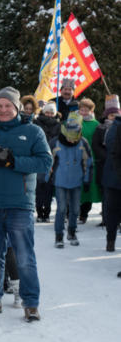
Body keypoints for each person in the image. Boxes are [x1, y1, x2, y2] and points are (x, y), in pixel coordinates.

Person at [0, 87, 52, 322]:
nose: (3, 110)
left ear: (16, 108)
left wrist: (15, 161)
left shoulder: (33, 131)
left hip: (20, 204)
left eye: (8, 106)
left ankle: (31, 303)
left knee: (25, 257)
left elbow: (45, 162)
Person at [48, 111, 92, 248]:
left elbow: (88, 163)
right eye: (69, 137)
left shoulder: (83, 143)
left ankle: (71, 232)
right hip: (61, 180)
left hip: (77, 180)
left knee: (74, 209)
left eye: (74, 138)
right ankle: (58, 235)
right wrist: (46, 177)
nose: (71, 140)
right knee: (61, 208)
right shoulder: (56, 142)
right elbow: (48, 161)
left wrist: (87, 180)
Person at [92, 95, 121, 227]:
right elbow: (96, 145)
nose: (114, 118)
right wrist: (106, 155)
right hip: (104, 164)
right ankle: (106, 217)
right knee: (106, 194)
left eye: (116, 115)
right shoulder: (101, 128)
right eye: (111, 115)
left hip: (118, 164)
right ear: (107, 116)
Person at [35, 102, 61, 222]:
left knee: (49, 188)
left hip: (54, 157)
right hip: (39, 156)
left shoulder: (58, 125)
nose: (49, 115)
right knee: (40, 185)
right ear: (43, 112)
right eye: (47, 112)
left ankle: (47, 212)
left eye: (52, 113)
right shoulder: (37, 123)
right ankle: (40, 211)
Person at [77, 98, 101, 224]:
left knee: (89, 188)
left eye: (86, 110)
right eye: (82, 109)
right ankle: (71, 212)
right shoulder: (75, 122)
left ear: (91, 111)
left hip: (90, 160)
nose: (84, 112)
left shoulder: (96, 124)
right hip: (76, 159)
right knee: (75, 185)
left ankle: (84, 213)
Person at [102, 113, 121, 252]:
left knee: (111, 212)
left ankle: (110, 241)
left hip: (111, 175)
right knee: (112, 211)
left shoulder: (112, 128)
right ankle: (111, 240)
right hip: (113, 175)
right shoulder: (114, 129)